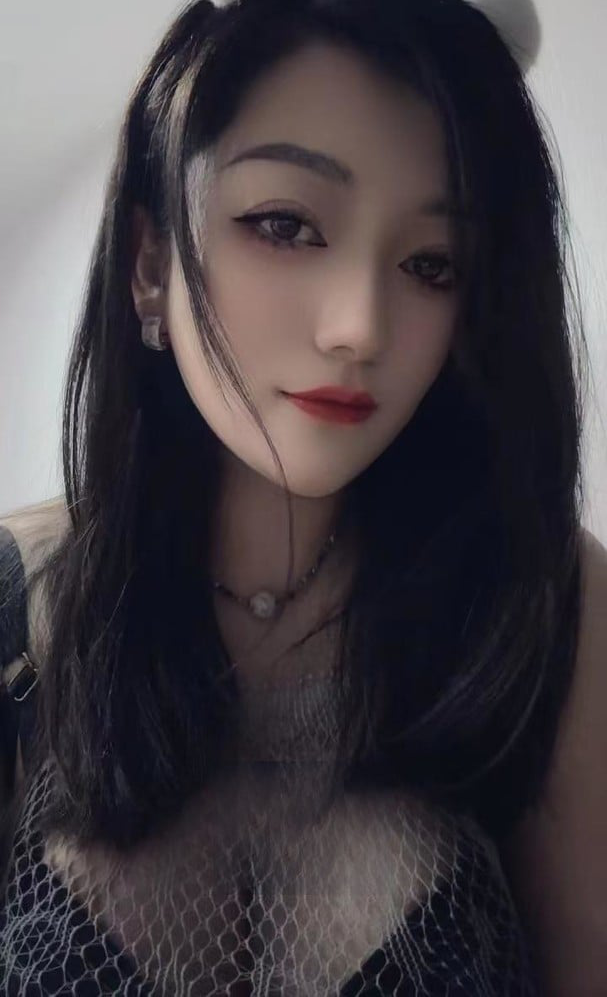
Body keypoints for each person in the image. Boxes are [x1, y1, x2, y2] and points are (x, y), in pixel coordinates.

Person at [1, 0, 606, 993]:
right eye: (283, 225)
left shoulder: (543, 603)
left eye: (431, 264)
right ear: (151, 263)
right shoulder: (20, 600)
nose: (358, 325)